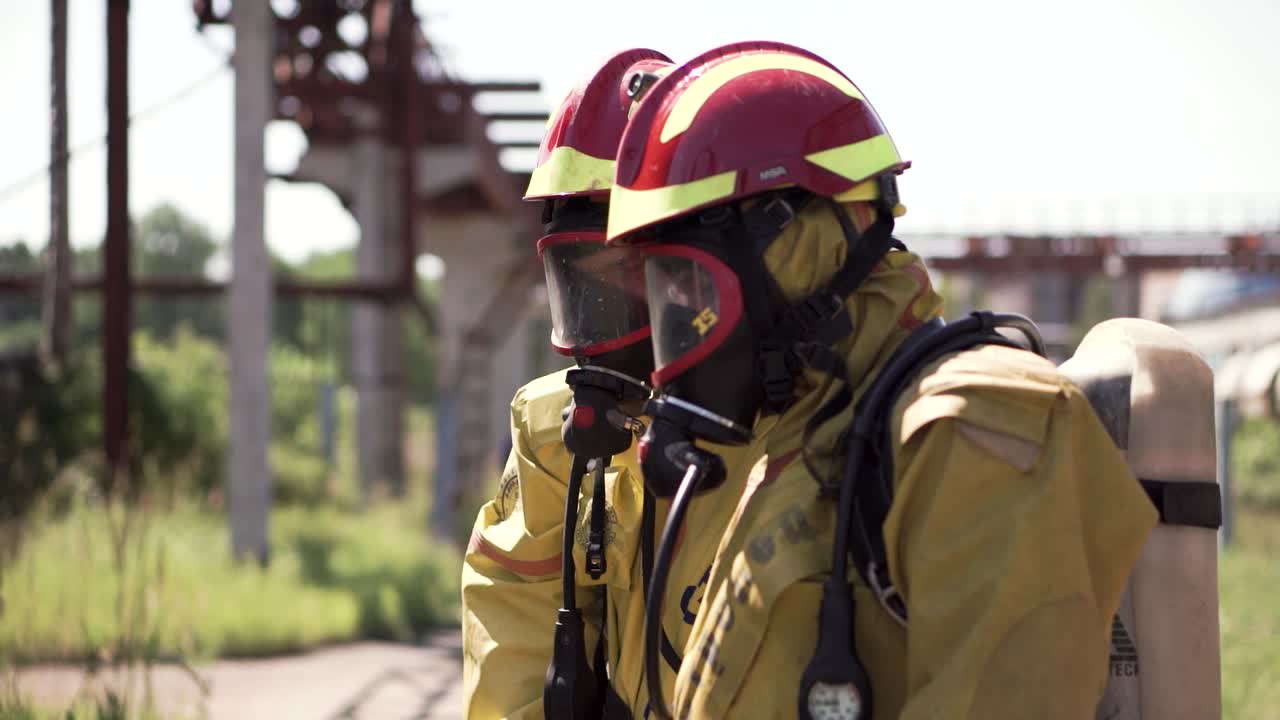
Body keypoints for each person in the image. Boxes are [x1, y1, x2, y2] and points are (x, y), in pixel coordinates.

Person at [606, 41, 1158, 719]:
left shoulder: (980, 427)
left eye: (695, 286)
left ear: (805, 242)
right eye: (671, 295)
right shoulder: (811, 433)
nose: (686, 323)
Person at [461, 49, 767, 720]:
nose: (614, 304)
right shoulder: (552, 429)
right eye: (588, 275)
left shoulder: (800, 425)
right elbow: (514, 618)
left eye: (635, 268)